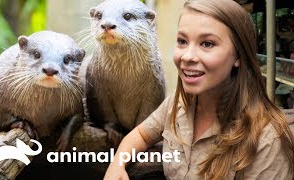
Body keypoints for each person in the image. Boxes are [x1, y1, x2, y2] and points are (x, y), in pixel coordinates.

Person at [104, 0, 294, 179]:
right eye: (182, 41)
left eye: (207, 44)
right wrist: (117, 165)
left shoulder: (266, 140)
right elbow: (141, 134)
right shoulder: (177, 104)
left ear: (238, 55)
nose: (187, 56)